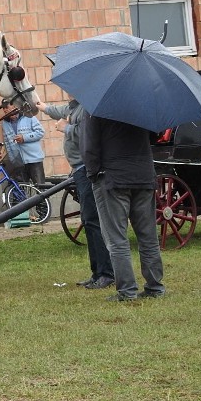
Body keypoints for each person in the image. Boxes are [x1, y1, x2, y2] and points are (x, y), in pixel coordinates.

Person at [81, 113, 165, 301]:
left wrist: (93, 174)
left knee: (116, 238)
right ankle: (155, 287)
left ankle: (127, 291)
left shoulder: (96, 108)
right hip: (143, 175)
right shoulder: (142, 106)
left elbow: (89, 147)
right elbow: (154, 136)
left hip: (113, 178)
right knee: (148, 236)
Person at [37, 99, 114, 289]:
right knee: (88, 221)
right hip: (79, 170)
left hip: (87, 169)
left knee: (93, 220)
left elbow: (87, 135)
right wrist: (40, 105)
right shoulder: (75, 106)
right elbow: (58, 110)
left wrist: (67, 128)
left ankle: (106, 273)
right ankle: (97, 272)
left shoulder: (88, 108)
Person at [0, 104, 46, 184]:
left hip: (33, 159)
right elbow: (7, 143)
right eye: (3, 108)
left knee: (40, 187)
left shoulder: (29, 116)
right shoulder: (5, 123)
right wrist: (12, 159)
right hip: (19, 162)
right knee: (22, 189)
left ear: (14, 106)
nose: (5, 110)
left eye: (6, 107)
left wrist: (24, 138)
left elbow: (40, 132)